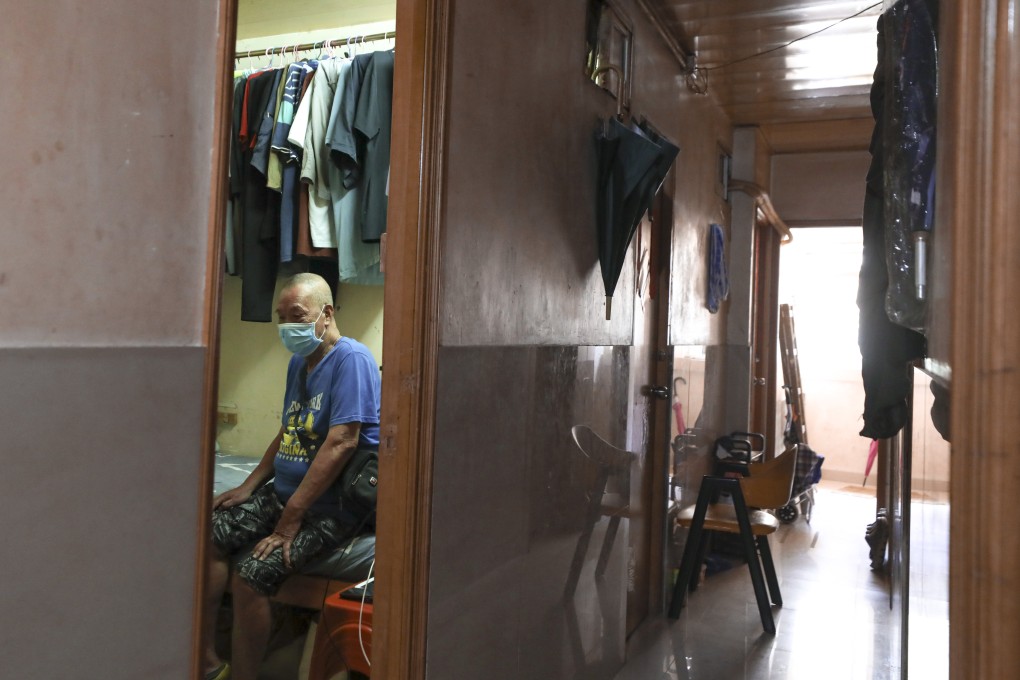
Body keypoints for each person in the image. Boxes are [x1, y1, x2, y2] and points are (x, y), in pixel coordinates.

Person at [202, 273, 381, 680]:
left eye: (296, 315)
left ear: (326, 314)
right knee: (208, 535)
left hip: (329, 506)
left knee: (251, 574)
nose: (286, 326)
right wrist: (248, 486)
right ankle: (209, 663)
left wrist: (290, 518)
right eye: (280, 317)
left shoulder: (352, 360)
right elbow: (290, 429)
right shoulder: (300, 363)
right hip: (285, 494)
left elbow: (343, 441)